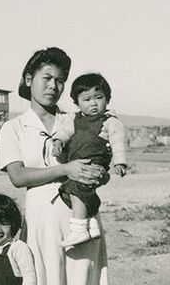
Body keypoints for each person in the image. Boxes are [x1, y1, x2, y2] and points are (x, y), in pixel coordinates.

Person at [0, 47, 110, 285]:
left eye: (60, 80)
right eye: (47, 78)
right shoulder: (15, 127)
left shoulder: (77, 119)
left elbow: (100, 160)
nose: (53, 86)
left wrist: (96, 173)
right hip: (41, 222)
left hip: (81, 216)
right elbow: (18, 177)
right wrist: (67, 169)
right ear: (28, 79)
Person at [50, 73, 127, 249]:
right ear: (77, 103)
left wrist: (119, 163)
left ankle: (78, 229)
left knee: (77, 189)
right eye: (86, 99)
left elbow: (117, 142)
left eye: (98, 98)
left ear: (107, 99)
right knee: (77, 191)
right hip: (76, 162)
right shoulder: (73, 119)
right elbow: (65, 132)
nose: (93, 103)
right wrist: (58, 141)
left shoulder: (110, 121)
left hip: (94, 163)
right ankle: (91, 225)